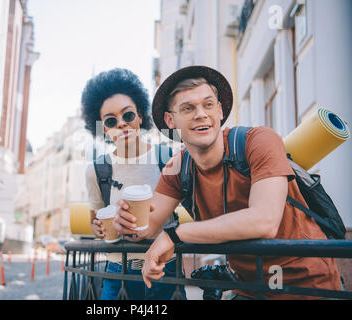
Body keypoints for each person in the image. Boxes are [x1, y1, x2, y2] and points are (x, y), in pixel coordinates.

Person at [114, 65, 342, 300]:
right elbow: (147, 226)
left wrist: (176, 234)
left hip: (307, 285)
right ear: (170, 120)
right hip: (247, 287)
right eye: (188, 108)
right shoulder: (178, 166)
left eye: (208, 104)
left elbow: (264, 221)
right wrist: (128, 223)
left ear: (220, 111)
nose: (201, 114)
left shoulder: (259, 141)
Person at [82, 68, 186, 300]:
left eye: (128, 115)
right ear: (104, 129)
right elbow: (95, 222)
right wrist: (99, 228)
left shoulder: (168, 157)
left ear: (140, 116)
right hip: (118, 271)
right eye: (111, 120)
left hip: (164, 267)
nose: (121, 124)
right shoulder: (97, 170)